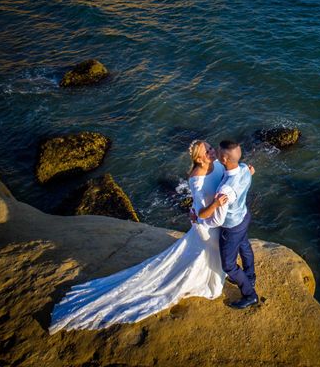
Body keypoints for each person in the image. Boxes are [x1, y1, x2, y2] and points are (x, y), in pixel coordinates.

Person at [48, 140, 230, 334]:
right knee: (210, 252)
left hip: (216, 220)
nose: (212, 152)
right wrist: (216, 205)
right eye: (207, 151)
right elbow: (200, 212)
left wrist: (243, 173)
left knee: (212, 252)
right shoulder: (196, 179)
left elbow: (228, 178)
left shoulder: (217, 163)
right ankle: (209, 280)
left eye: (211, 148)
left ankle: (215, 273)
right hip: (206, 224)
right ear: (198, 158)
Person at [216, 140, 258, 309]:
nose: (216, 154)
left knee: (229, 265)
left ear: (224, 159)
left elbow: (218, 215)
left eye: (218, 153)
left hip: (232, 226)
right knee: (244, 246)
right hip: (244, 216)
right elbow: (249, 173)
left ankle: (250, 294)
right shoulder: (243, 168)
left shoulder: (225, 190)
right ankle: (250, 275)